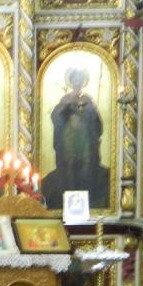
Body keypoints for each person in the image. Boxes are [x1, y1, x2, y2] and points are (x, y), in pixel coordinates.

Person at [44, 67, 108, 208]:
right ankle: (67, 190)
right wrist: (66, 107)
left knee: (87, 164)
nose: (77, 82)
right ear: (71, 81)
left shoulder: (88, 99)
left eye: (79, 79)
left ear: (82, 82)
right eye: (75, 79)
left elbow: (97, 124)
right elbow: (56, 116)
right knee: (69, 163)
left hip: (85, 139)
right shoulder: (65, 99)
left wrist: (89, 111)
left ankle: (88, 192)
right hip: (69, 139)